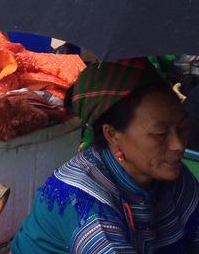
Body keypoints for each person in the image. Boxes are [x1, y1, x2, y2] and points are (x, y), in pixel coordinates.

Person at [12, 60, 198, 252]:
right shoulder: (82, 199)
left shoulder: (173, 176)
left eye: (183, 128)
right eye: (160, 134)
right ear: (112, 134)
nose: (178, 145)